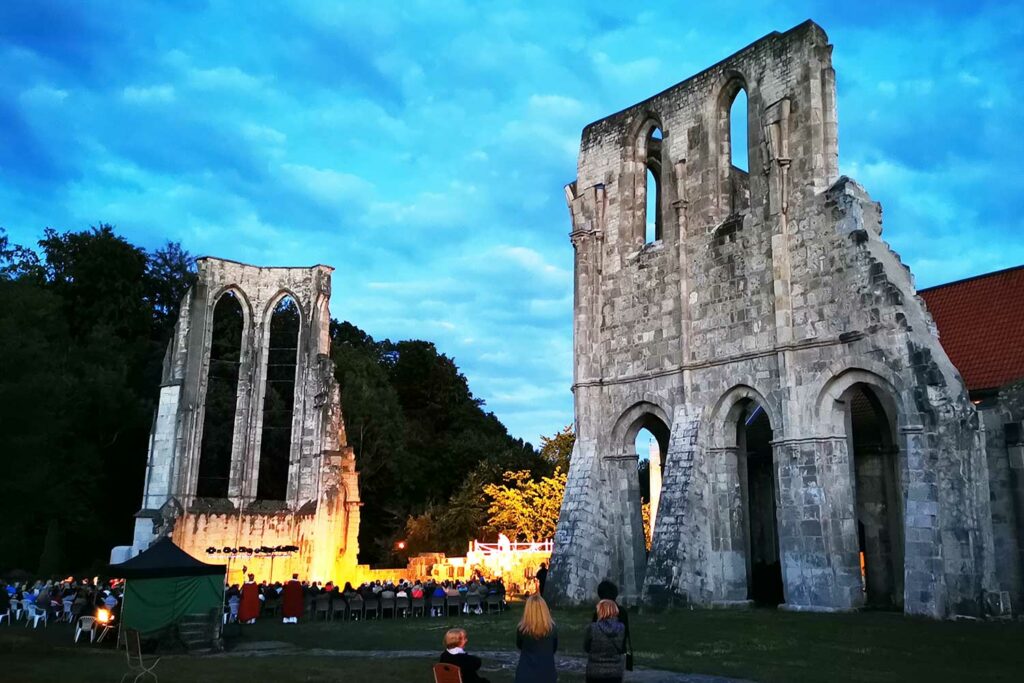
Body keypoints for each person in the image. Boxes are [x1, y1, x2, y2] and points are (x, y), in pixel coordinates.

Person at [515, 594, 557, 683]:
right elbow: (553, 648)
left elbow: (519, 645)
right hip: (547, 674)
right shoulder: (552, 629)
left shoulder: (522, 630)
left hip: (525, 673)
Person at [583, 599, 626, 683]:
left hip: (595, 671)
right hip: (615, 672)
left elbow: (586, 648)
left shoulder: (592, 628)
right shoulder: (621, 628)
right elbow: (621, 648)